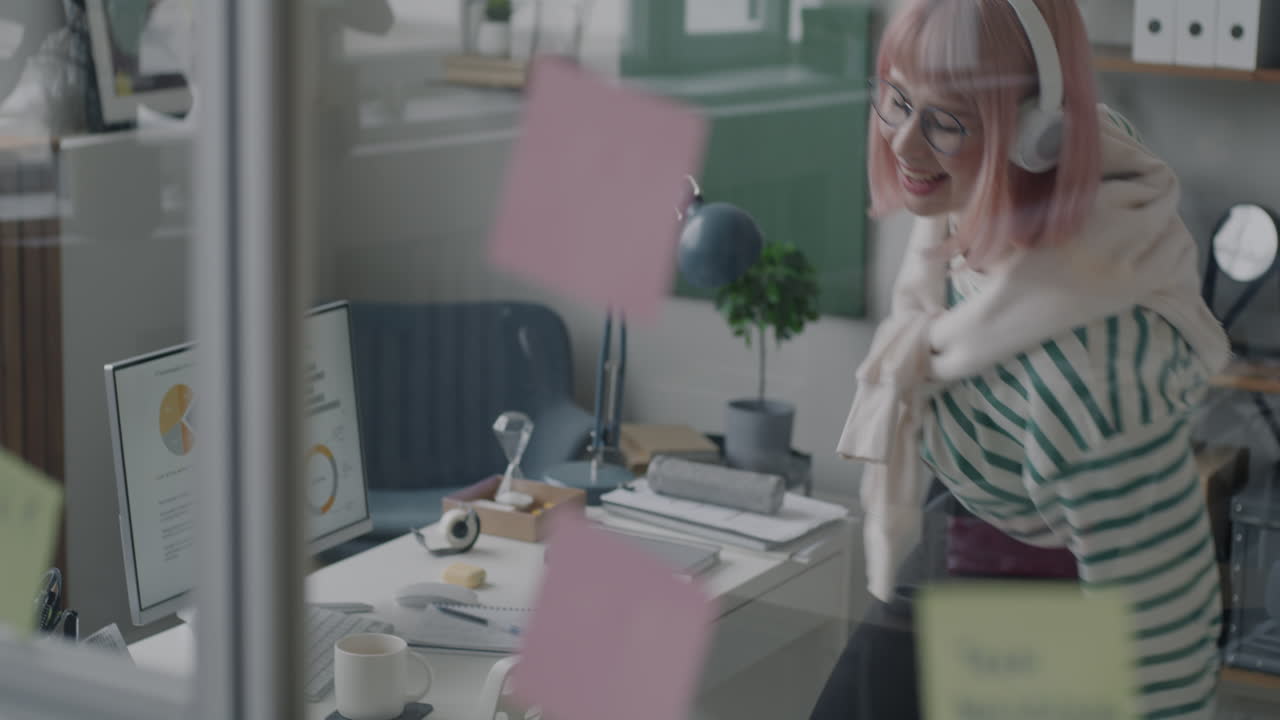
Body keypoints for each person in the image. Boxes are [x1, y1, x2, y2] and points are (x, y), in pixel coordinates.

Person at [812, 1, 1230, 718]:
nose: (906, 147)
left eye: (945, 121)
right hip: (969, 508)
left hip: (1052, 591)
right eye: (898, 101)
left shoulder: (1086, 380)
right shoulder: (986, 187)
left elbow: (1166, 661)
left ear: (1039, 132)